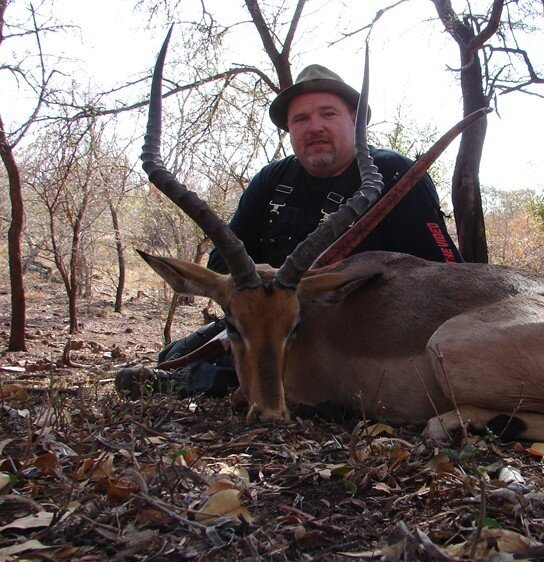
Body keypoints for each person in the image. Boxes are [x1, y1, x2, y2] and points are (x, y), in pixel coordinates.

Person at [116, 63, 461, 399]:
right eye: (301, 119)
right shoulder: (272, 179)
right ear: (289, 130)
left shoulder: (395, 172)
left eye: (328, 114)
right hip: (268, 319)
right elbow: (221, 261)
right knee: (174, 354)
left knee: (237, 366)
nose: (315, 127)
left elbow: (444, 272)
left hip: (356, 325)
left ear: (354, 120)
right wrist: (260, 291)